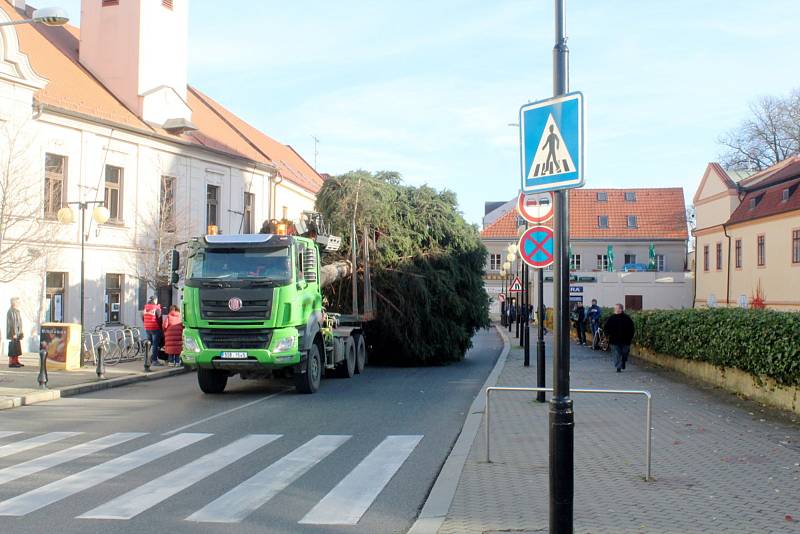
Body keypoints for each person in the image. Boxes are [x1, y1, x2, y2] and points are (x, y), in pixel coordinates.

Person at [603, 303, 635, 372]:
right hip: (614, 340)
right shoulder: (611, 318)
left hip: (625, 340)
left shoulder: (627, 318)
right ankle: (618, 367)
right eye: (615, 308)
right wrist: (607, 335)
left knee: (625, 353)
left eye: (616, 308)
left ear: (621, 309)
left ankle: (623, 361)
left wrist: (630, 337)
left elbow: (632, 328)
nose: (615, 310)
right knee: (616, 353)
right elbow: (606, 328)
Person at [142, 296, 163, 366]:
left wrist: (146, 324)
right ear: (154, 300)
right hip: (155, 328)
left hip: (147, 328)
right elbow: (160, 319)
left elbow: (142, 317)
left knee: (148, 343)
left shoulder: (145, 308)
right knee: (155, 344)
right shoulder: (156, 308)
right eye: (156, 300)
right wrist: (161, 328)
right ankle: (154, 360)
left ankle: (145, 358)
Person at [6, 297, 23, 368]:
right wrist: (14, 333)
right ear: (13, 303)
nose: (19, 303)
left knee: (17, 347)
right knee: (13, 347)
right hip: (13, 332)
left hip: (18, 332)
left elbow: (19, 322)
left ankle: (16, 361)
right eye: (17, 302)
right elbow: (11, 323)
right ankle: (11, 362)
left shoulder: (17, 311)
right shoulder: (10, 311)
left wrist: (20, 332)